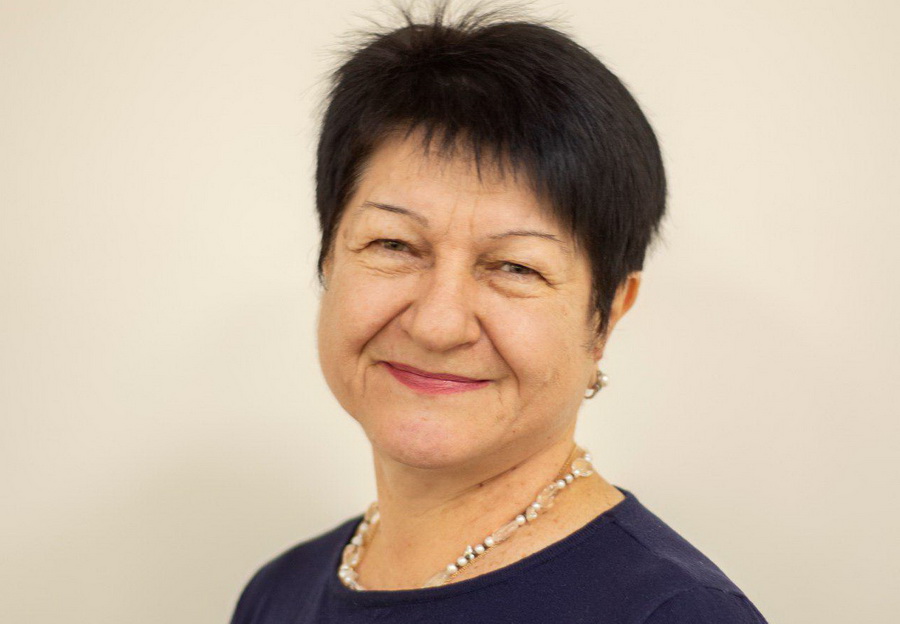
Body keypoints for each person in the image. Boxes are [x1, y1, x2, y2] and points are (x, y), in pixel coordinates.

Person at [229, 2, 769, 622]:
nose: (437, 325)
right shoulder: (279, 592)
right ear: (328, 260)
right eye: (394, 246)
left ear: (607, 315)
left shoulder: (671, 612)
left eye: (515, 267)